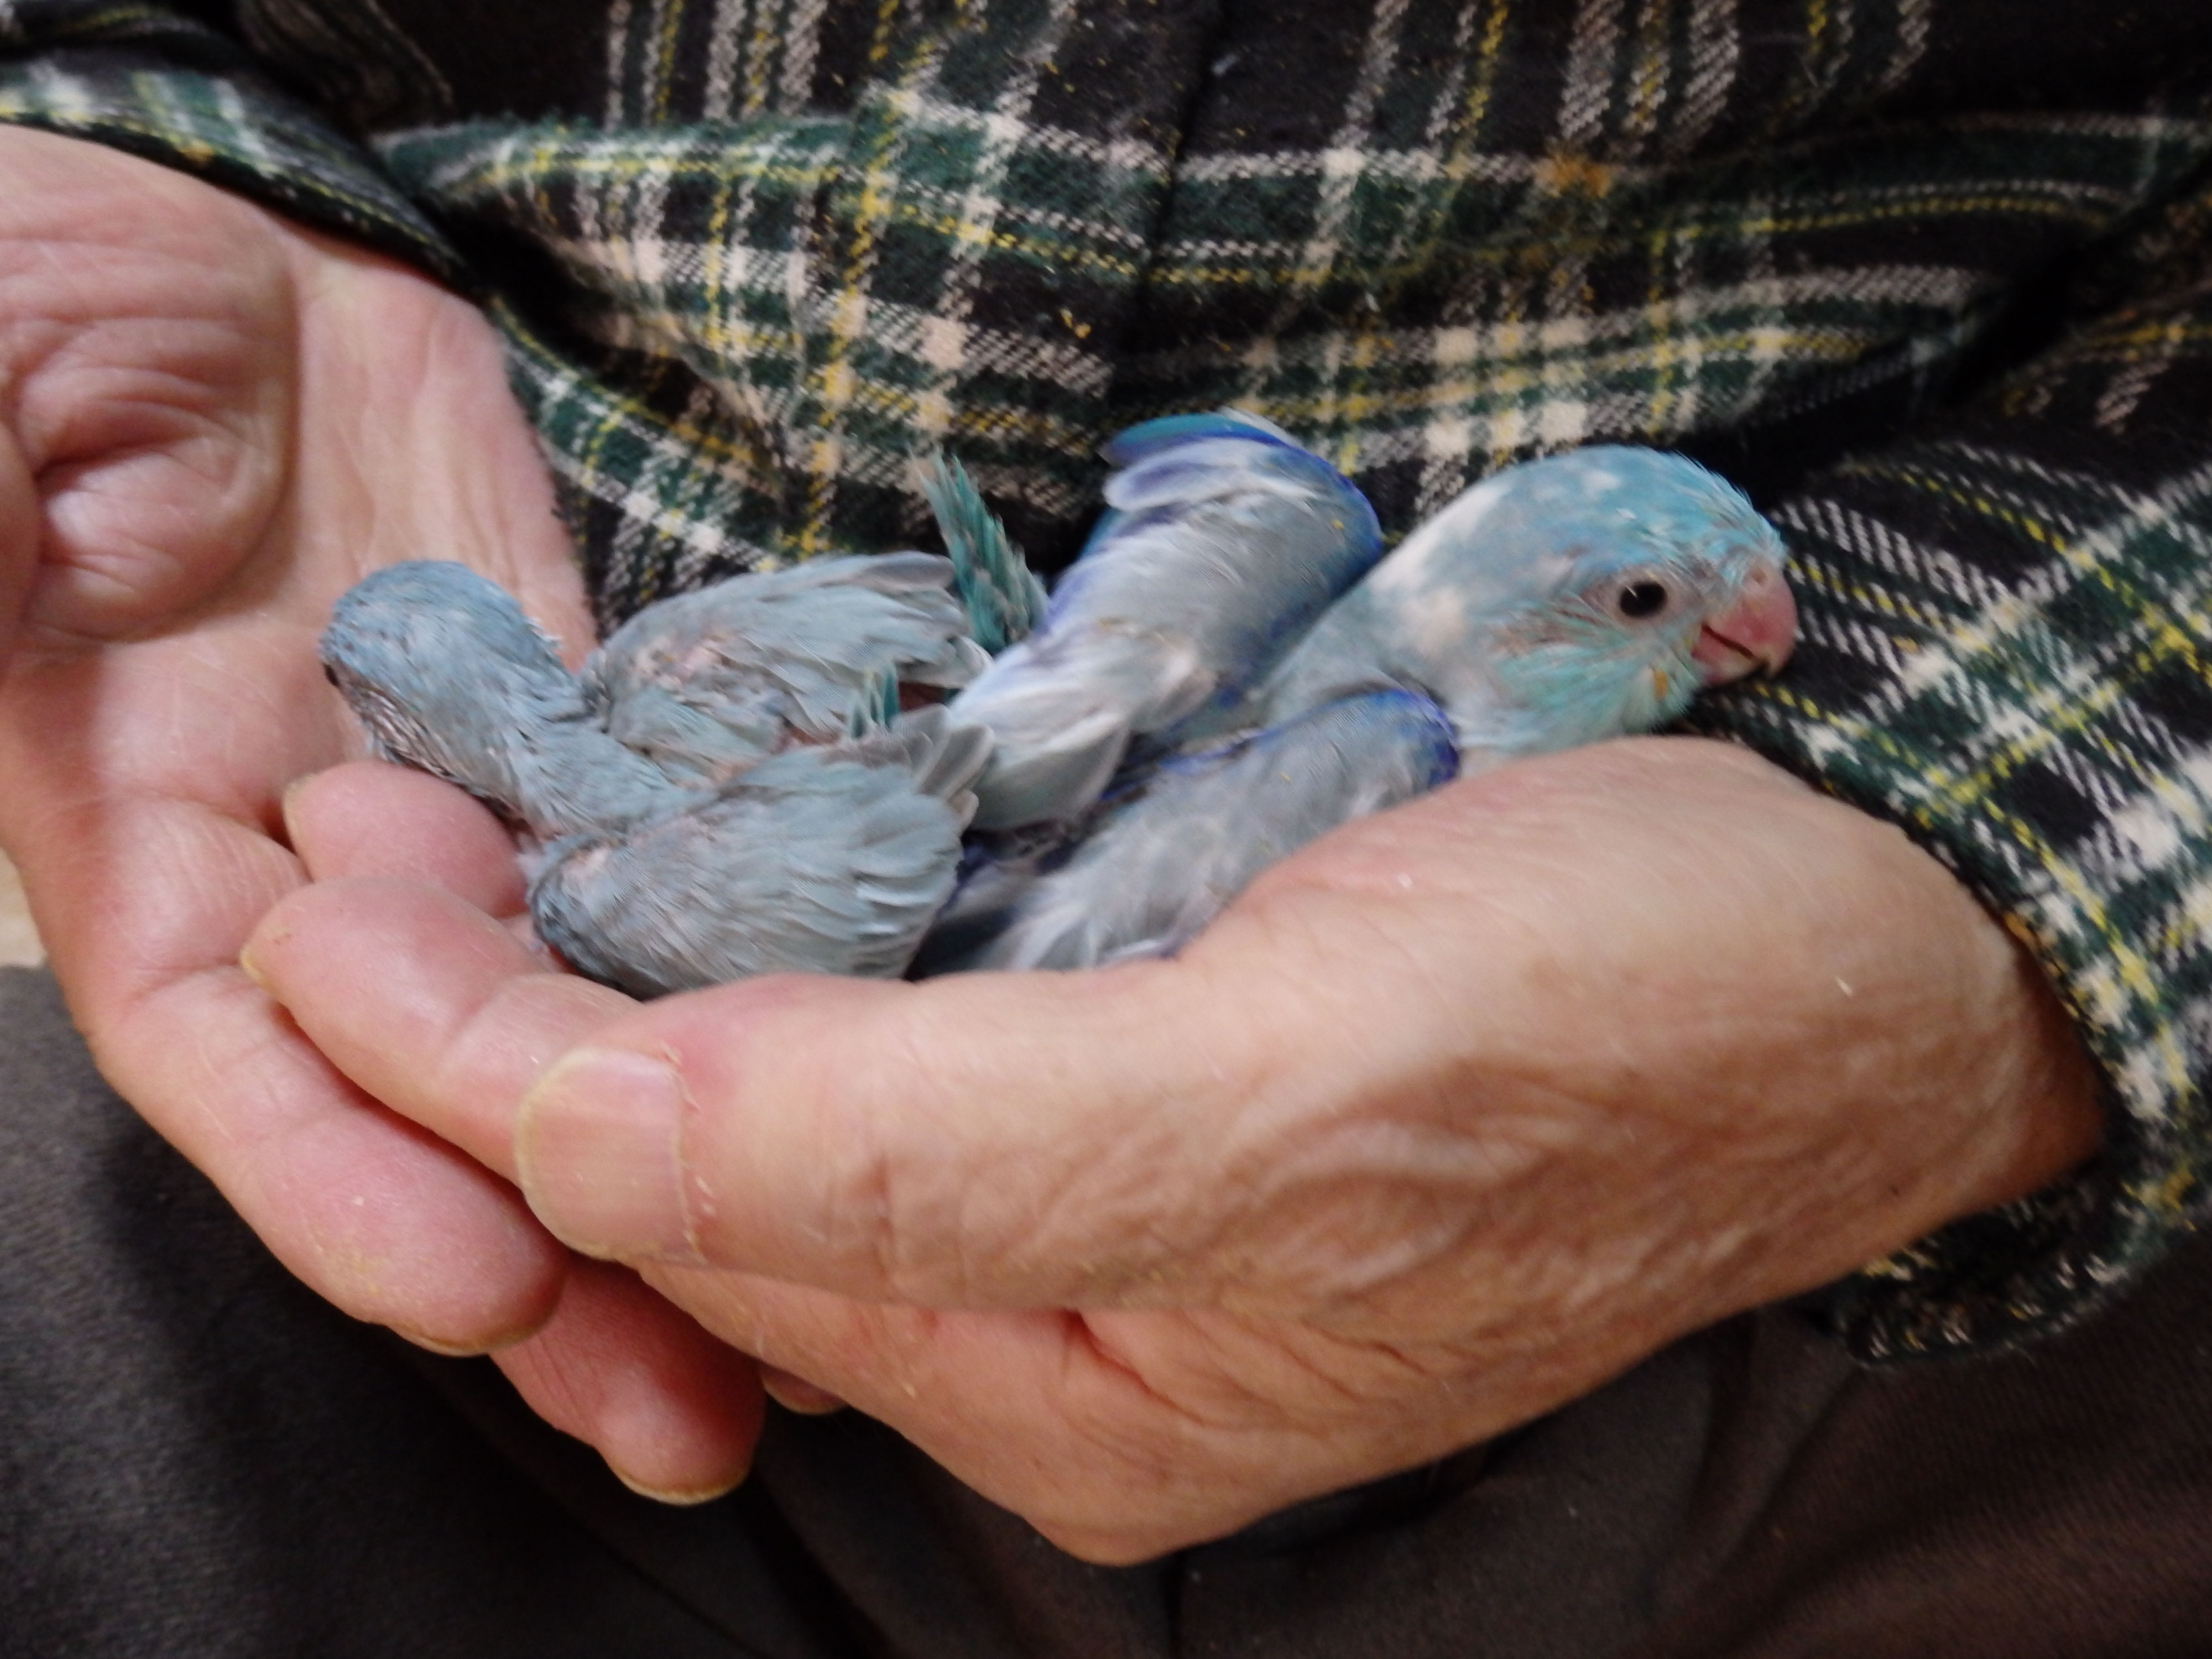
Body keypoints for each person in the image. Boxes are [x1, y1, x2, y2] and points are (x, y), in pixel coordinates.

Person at [1, 1, 2209, 1651]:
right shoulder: (1322, 733)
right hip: (571, 1104)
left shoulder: (1381, 733)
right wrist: (127, 130)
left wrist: (2010, 862)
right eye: (1647, 609)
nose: (1721, 632)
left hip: (1970, 1178)